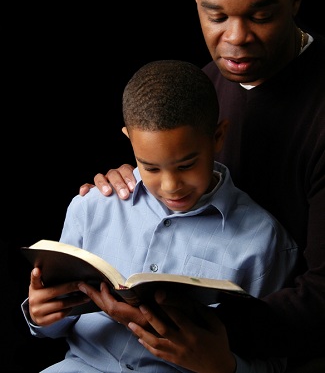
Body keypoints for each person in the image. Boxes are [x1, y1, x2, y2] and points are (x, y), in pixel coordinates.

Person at [79, 0, 325, 371]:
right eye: (216, 15)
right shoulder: (204, 88)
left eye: (261, 15)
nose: (235, 39)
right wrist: (135, 177)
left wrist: (205, 341)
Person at [21, 60, 298, 373]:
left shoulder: (263, 240)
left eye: (186, 165)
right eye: (151, 167)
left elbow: (276, 358)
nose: (171, 186)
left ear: (218, 137)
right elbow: (54, 326)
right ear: (129, 139)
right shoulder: (92, 207)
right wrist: (40, 316)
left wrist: (223, 366)